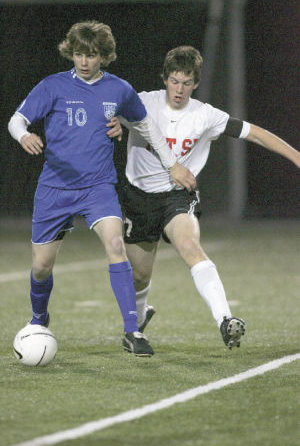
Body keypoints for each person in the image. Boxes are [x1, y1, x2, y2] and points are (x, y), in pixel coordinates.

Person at [8, 23, 196, 358]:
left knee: (115, 244)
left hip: (98, 185)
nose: (84, 61)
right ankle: (39, 319)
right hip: (55, 186)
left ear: (103, 56)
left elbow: (146, 127)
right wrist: (24, 135)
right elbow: (16, 120)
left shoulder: (119, 90)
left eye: (91, 55)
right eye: (79, 53)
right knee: (41, 267)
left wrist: (171, 165)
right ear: (71, 52)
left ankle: (132, 330)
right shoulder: (52, 86)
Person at [118, 46, 300, 350]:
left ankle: (225, 320)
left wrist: (295, 155)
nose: (179, 89)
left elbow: (254, 133)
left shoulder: (205, 115)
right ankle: (137, 320)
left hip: (177, 197)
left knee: (190, 245)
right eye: (174, 81)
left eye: (186, 83)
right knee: (139, 274)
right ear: (164, 79)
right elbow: (105, 113)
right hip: (138, 198)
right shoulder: (141, 103)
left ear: (196, 84)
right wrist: (112, 124)